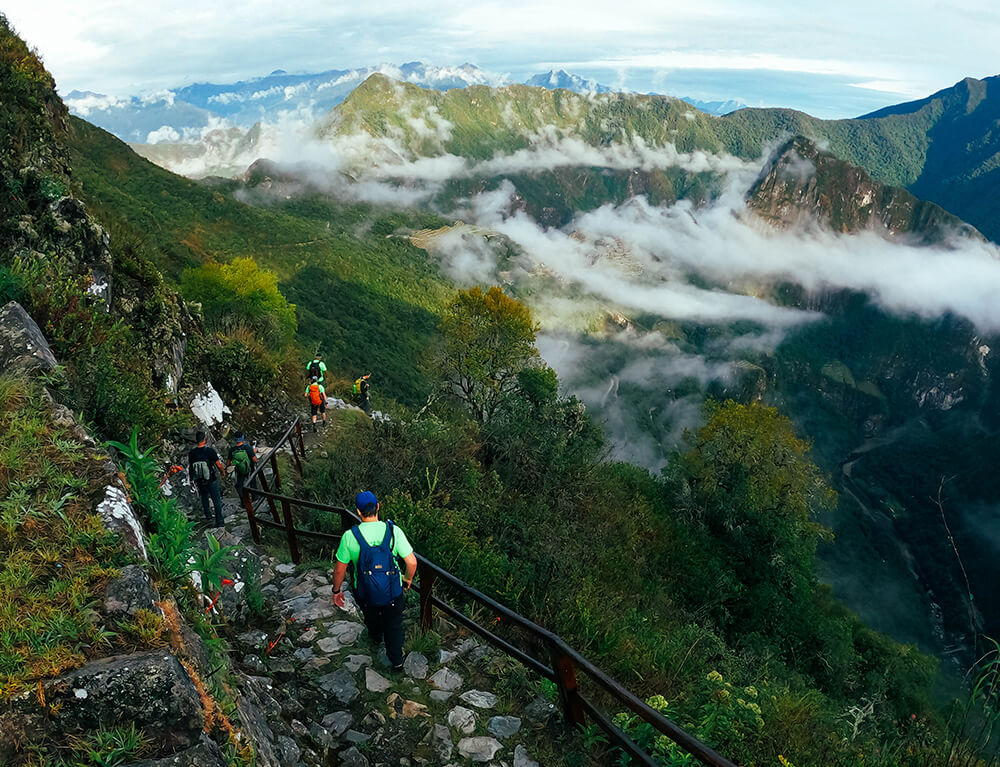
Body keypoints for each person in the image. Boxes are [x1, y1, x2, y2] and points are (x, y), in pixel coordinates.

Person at [333, 491, 417, 672]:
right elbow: (411, 561)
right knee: (394, 625)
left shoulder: (350, 536)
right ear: (378, 506)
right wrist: (407, 579)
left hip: (365, 591)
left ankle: (376, 636)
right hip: (393, 590)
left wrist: (336, 590)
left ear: (358, 511)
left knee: (371, 616)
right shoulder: (393, 531)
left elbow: (340, 568)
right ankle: (396, 661)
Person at [188, 430, 226, 527]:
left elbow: (191, 467)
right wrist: (223, 472)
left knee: (204, 497)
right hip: (211, 479)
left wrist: (191, 480)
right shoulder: (209, 451)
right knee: (216, 499)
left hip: (199, 479)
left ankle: (208, 515)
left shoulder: (192, 453)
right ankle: (220, 521)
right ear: (204, 439)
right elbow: (218, 464)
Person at [227, 433, 258, 503]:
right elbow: (255, 459)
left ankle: (244, 501)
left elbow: (228, 463)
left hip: (240, 470)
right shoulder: (247, 448)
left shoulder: (232, 450)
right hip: (250, 468)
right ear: (242, 438)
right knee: (252, 483)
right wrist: (254, 452)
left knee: (239, 485)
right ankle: (255, 499)